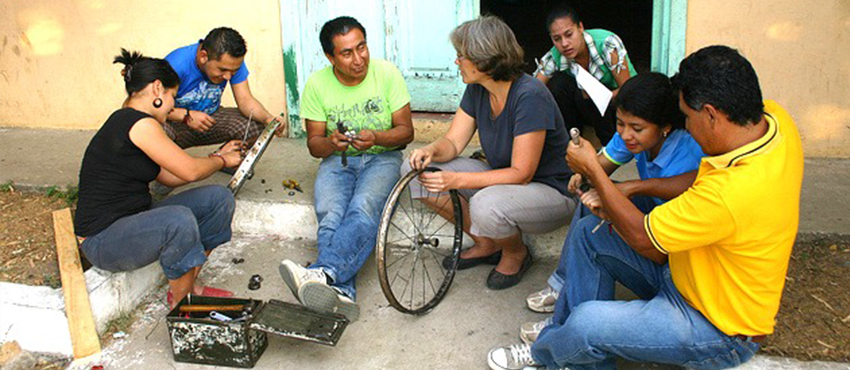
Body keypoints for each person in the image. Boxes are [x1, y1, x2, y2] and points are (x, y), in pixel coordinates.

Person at [486, 45, 804, 370]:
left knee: (588, 323)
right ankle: (573, 349)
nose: (687, 128)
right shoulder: (775, 121)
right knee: (588, 233)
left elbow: (645, 241)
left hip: (715, 326)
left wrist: (594, 171)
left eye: (689, 119)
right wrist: (621, 184)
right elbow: (692, 179)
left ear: (711, 114)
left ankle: (549, 352)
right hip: (684, 274)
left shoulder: (731, 192)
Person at [404, 16, 577, 290]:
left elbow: (522, 174)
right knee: (412, 172)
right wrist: (429, 149)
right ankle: (487, 242)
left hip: (551, 190)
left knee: (486, 204)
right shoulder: (477, 89)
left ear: (484, 59)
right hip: (505, 181)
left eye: (462, 56)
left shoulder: (529, 95)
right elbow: (453, 142)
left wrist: (456, 181)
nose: (456, 62)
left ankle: (515, 252)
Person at [523, 72, 704, 321]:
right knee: (594, 199)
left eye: (636, 128)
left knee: (592, 232)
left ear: (665, 127)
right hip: (656, 214)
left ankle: (568, 320)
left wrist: (629, 186)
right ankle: (563, 283)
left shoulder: (689, 150)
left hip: (676, 248)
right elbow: (602, 166)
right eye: (620, 124)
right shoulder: (630, 136)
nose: (626, 134)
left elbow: (689, 188)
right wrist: (585, 170)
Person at [75, 49, 244, 308]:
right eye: (173, 97)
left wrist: (215, 156)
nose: (173, 107)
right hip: (102, 239)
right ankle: (183, 305)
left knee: (218, 198)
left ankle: (187, 287)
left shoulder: (134, 122)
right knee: (178, 220)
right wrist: (221, 160)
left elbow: (170, 177)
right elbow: (189, 171)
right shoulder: (140, 124)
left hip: (132, 219)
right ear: (157, 89)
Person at [278, 16, 414, 322]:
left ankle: (322, 273)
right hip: (338, 161)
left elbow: (406, 132)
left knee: (363, 208)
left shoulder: (387, 73)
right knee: (329, 217)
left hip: (383, 158)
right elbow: (315, 145)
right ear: (330, 57)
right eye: (347, 53)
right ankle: (342, 294)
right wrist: (332, 143)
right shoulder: (317, 84)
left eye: (361, 47)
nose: (359, 58)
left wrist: (377, 137)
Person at [163, 27, 285, 149]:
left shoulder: (233, 62)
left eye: (233, 71)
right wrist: (185, 116)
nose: (227, 76)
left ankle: (227, 160)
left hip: (210, 119)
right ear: (203, 56)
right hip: (175, 122)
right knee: (153, 130)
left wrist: (268, 118)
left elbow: (245, 100)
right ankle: (172, 165)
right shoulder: (176, 64)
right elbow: (150, 106)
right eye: (222, 70)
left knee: (255, 124)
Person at [535, 6, 636, 146]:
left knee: (588, 91)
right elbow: (533, 89)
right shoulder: (554, 56)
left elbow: (629, 89)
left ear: (581, 28)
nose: (564, 43)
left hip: (620, 105)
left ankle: (609, 145)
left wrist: (603, 96)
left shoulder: (607, 43)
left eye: (569, 34)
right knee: (560, 84)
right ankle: (570, 142)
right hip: (587, 107)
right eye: (557, 39)